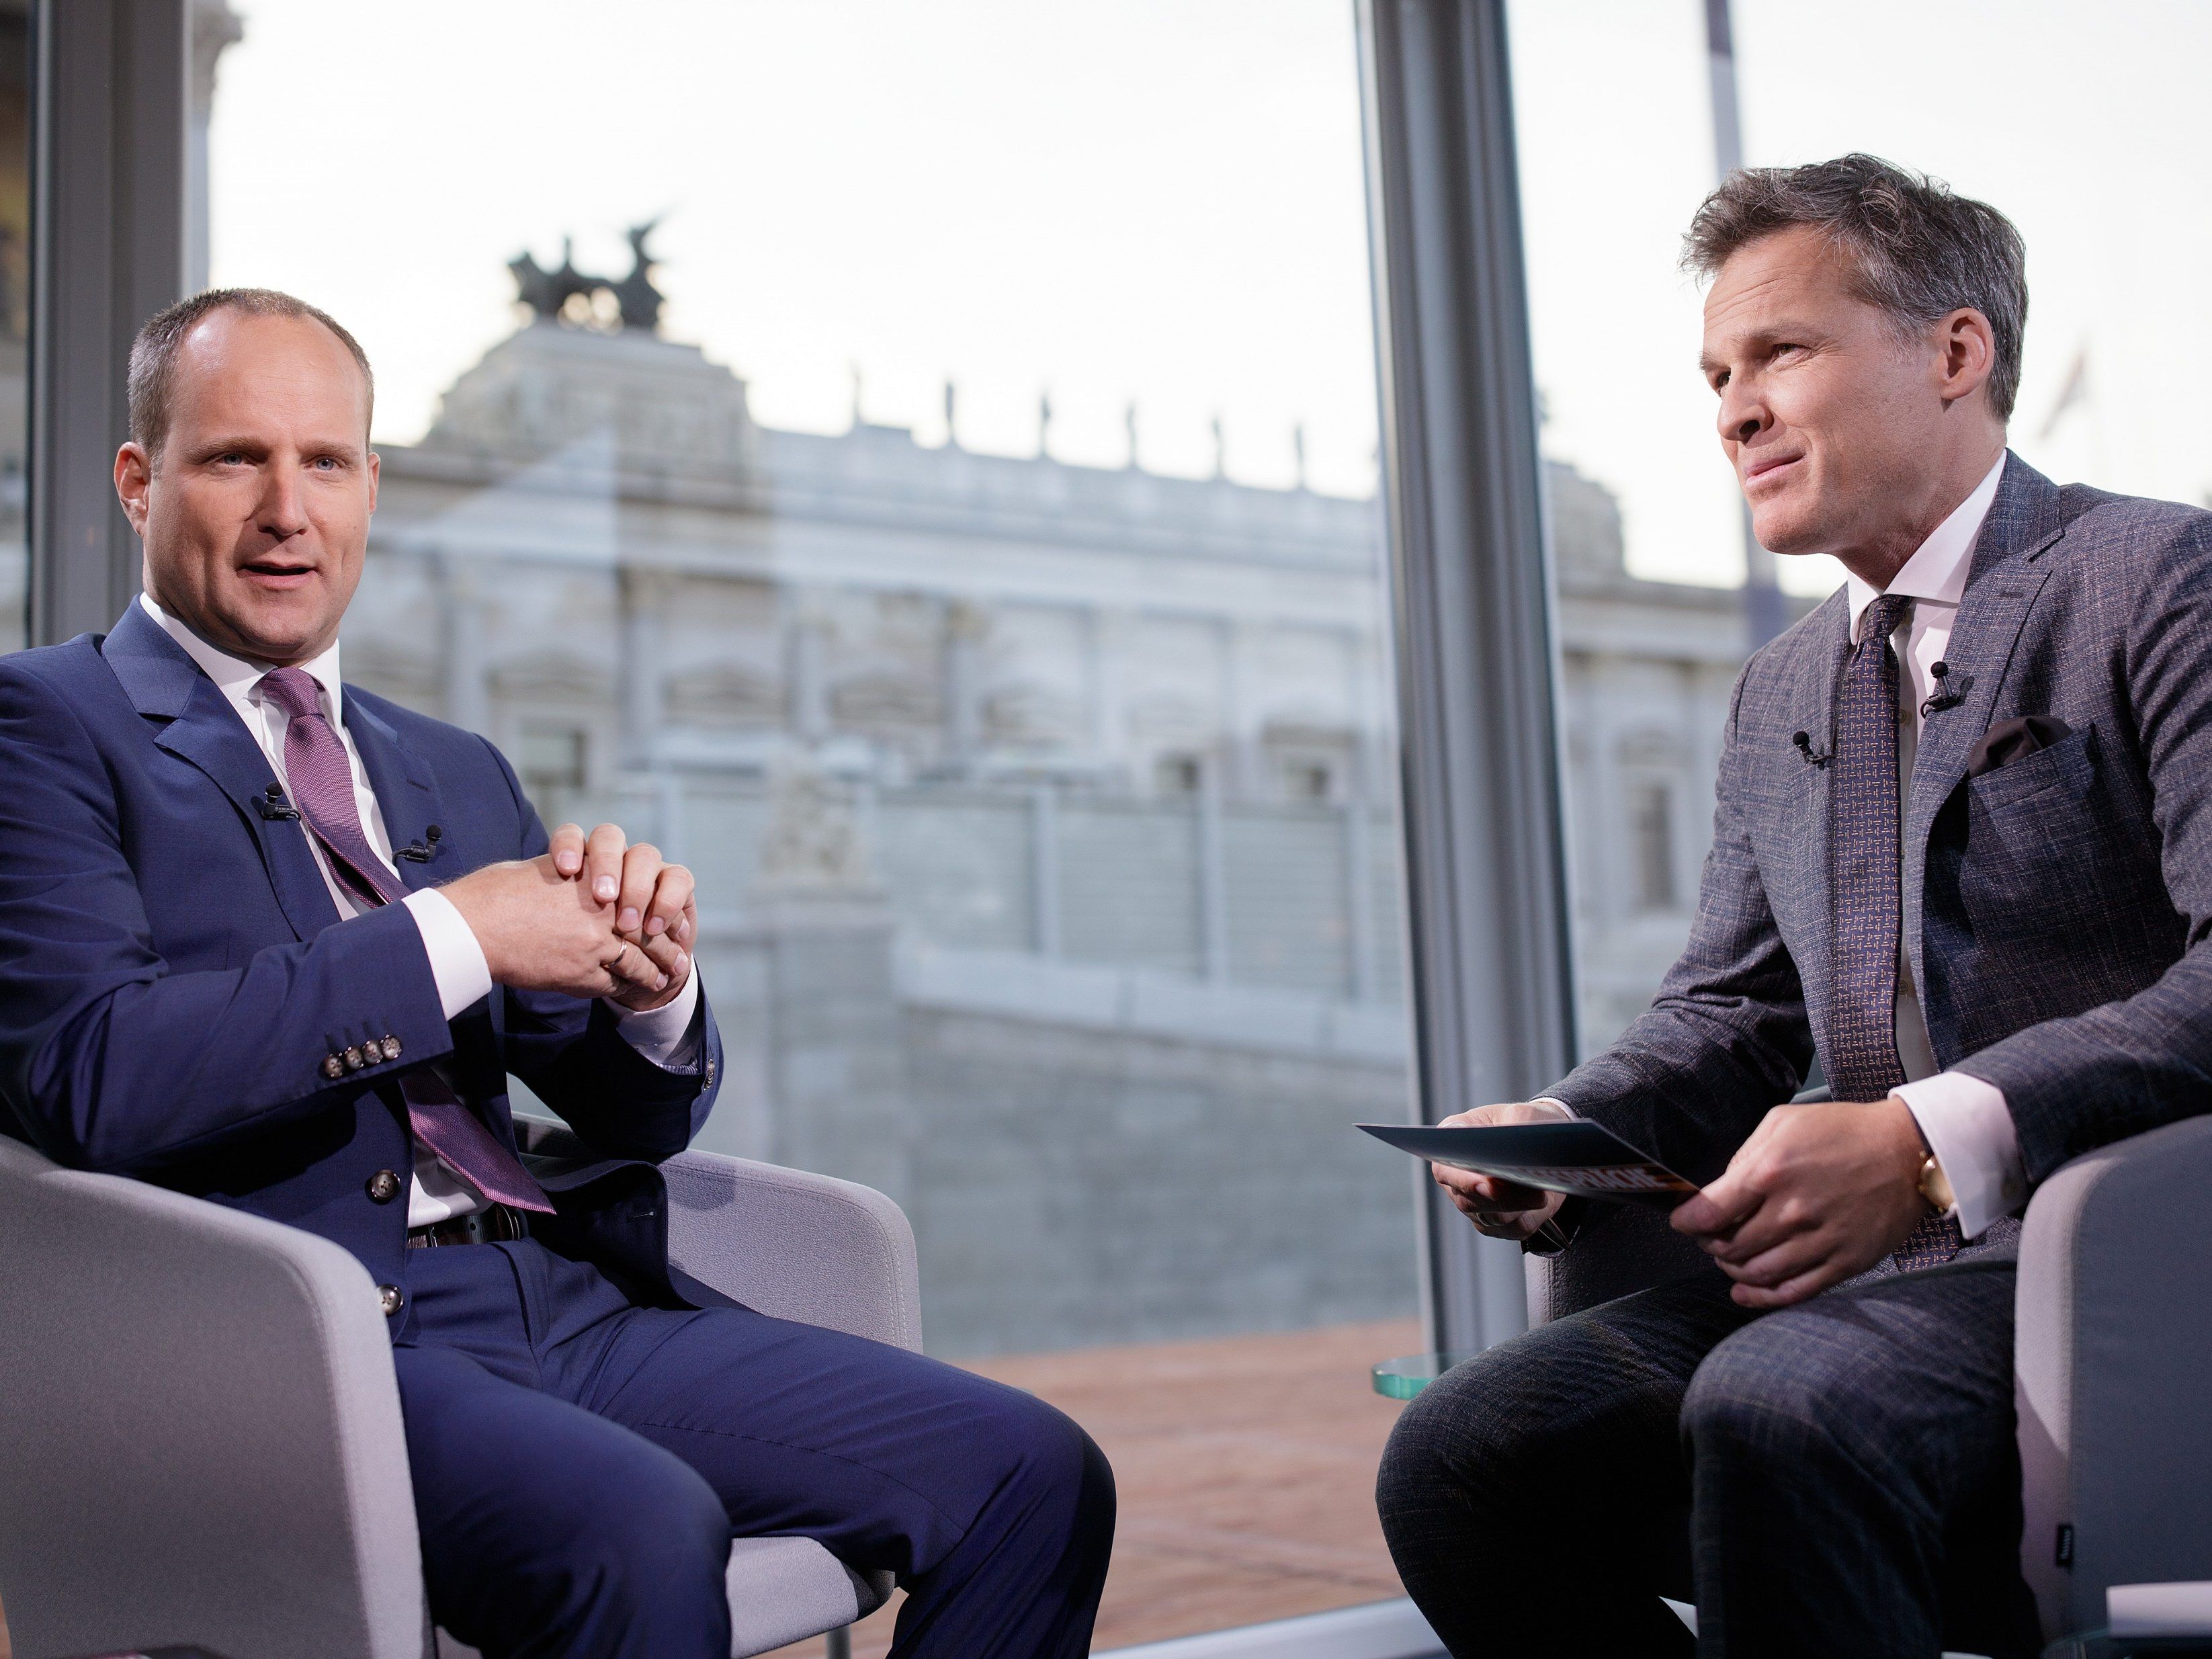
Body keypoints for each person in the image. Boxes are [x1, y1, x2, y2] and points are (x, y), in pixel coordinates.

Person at [0, 288, 1114, 1659]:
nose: (289, 506)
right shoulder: (45, 724)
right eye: (237, 457)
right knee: (636, 1527)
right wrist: (459, 932)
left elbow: (631, 1115)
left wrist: (652, 998)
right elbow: (92, 1074)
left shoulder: (449, 766)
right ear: (138, 480)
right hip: (301, 1336)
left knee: (1033, 1467)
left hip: (566, 1299)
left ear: (369, 488)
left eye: (327, 461)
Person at [1375, 154, 2212, 1658]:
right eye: (1714, 373)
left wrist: (1915, 1137)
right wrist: (1567, 1130)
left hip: (2129, 1252)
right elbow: (1732, 1009)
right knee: (1461, 1458)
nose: (1731, 409)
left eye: (1781, 352)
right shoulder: (1778, 689)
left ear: (1954, 353)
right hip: (1880, 1272)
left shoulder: (2156, 579)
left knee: (1775, 1406)